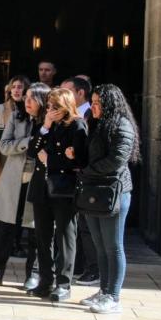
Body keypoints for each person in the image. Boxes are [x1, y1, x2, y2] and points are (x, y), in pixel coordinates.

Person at [0, 80, 42, 289]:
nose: (26, 101)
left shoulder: (49, 122)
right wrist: (26, 143)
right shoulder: (16, 116)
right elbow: (4, 145)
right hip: (14, 178)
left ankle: (33, 274)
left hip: (37, 180)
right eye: (26, 97)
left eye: (32, 98)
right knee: (6, 229)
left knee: (35, 231)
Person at [80, 84, 140, 314]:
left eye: (97, 103)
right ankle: (103, 290)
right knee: (100, 245)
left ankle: (113, 296)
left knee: (113, 246)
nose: (93, 107)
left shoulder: (122, 125)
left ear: (109, 104)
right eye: (92, 102)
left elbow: (116, 160)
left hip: (114, 191)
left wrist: (86, 171)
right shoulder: (96, 123)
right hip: (94, 190)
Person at [26, 87, 88, 302]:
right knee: (43, 237)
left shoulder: (77, 125)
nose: (50, 110)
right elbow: (32, 151)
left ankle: (64, 283)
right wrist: (45, 126)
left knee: (65, 235)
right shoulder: (46, 126)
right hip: (41, 186)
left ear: (66, 107)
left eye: (55, 107)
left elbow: (79, 160)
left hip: (63, 188)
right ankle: (45, 281)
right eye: (49, 106)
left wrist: (50, 160)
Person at [61, 76, 99, 286]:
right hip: (73, 177)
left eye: (67, 92)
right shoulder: (69, 115)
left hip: (86, 175)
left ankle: (93, 268)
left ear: (80, 93)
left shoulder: (88, 114)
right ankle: (77, 264)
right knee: (75, 224)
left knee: (87, 225)